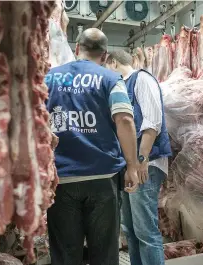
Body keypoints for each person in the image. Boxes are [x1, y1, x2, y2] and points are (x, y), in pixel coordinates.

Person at [45, 29, 139, 265]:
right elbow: (125, 119)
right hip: (102, 179)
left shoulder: (48, 78)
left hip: (61, 180)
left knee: (66, 255)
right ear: (105, 55)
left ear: (77, 49)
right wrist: (132, 166)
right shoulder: (110, 79)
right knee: (105, 253)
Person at [106, 50, 172, 265]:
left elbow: (152, 123)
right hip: (129, 166)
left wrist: (141, 161)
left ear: (113, 62)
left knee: (145, 231)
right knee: (130, 230)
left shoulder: (142, 79)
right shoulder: (121, 86)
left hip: (147, 163)